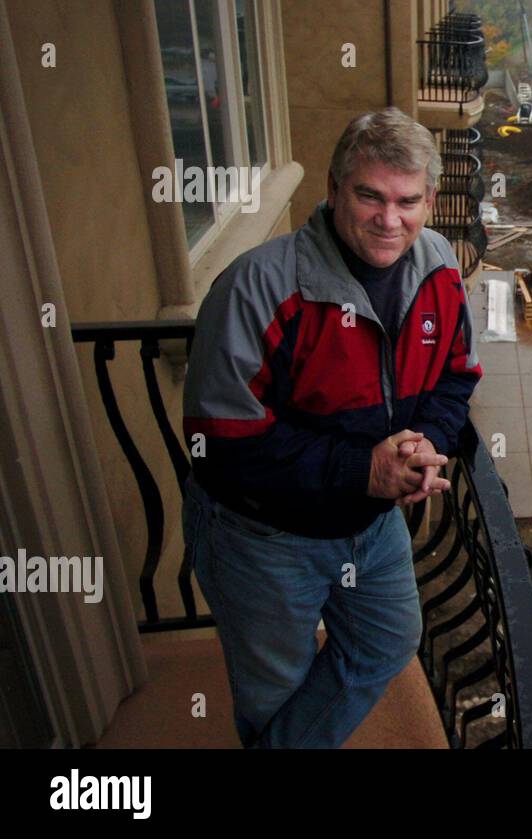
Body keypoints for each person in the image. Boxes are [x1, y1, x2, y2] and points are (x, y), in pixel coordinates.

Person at [181, 107, 481, 748]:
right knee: (274, 690)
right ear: (334, 189)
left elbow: (456, 376)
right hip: (263, 536)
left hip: (371, 528)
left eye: (407, 200)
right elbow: (219, 445)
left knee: (388, 639)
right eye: (369, 195)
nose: (389, 219)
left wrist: (429, 440)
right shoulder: (256, 289)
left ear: (430, 199)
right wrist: (364, 470)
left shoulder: (440, 270)